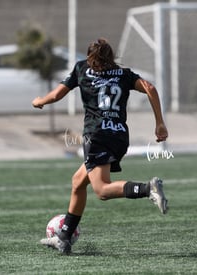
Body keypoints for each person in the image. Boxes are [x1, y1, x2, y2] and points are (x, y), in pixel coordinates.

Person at [32, 38, 169, 254]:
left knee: (102, 190)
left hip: (96, 136)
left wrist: (40, 101)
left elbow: (58, 94)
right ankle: (64, 237)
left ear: (89, 57)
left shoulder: (82, 69)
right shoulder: (124, 74)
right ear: (112, 57)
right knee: (78, 182)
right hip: (120, 137)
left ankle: (147, 189)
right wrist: (159, 123)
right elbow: (150, 88)